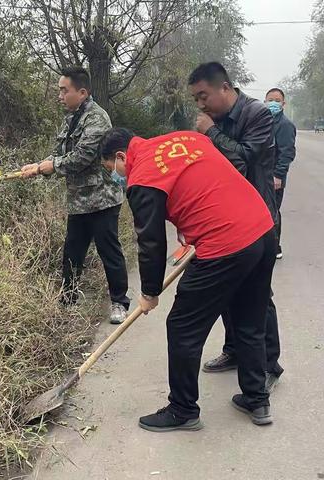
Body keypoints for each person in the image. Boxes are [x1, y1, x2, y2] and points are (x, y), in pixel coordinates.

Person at [100, 127, 276, 430]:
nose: (117, 176)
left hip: (225, 244)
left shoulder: (141, 175)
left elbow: (151, 241)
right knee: (249, 318)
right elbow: (208, 179)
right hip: (262, 227)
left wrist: (150, 292)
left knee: (182, 326)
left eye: (112, 170)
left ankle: (182, 410)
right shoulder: (186, 137)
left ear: (120, 156)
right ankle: (257, 399)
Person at [189, 62, 284, 391]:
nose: (200, 105)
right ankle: (235, 350)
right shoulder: (212, 120)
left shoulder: (257, 115)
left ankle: (270, 362)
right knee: (229, 290)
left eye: (204, 96)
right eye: (196, 99)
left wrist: (210, 133)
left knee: (259, 295)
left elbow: (244, 158)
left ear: (225, 88)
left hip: (259, 219)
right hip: (226, 220)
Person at [21, 66, 129, 324]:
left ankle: (119, 303)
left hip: (102, 199)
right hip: (79, 201)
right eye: (59, 90)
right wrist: (37, 166)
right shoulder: (71, 118)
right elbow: (59, 152)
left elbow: (83, 156)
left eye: (63, 90)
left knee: (109, 251)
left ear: (82, 92)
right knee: (72, 251)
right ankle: (67, 300)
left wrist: (51, 166)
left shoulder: (97, 118)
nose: (60, 95)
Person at [264, 87, 297, 259]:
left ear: (283, 104)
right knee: (261, 210)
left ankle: (275, 247)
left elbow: (287, 153)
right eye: (270, 100)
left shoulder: (285, 125)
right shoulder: (262, 121)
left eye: (277, 101)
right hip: (260, 174)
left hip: (274, 176)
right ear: (264, 101)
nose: (273, 103)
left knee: (273, 211)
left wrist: (278, 175)